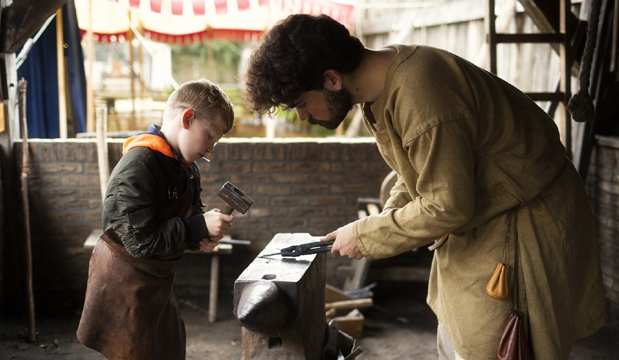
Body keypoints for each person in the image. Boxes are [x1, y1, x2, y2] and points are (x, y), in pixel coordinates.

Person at [244, 14, 608, 360]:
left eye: (301, 104)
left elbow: (448, 204)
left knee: (497, 345)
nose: (303, 116)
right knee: (457, 333)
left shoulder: (419, 93)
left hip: (522, 222)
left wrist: (366, 234)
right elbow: (415, 171)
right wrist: (389, 218)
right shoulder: (378, 89)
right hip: (482, 219)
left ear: (332, 79)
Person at [77, 79, 235, 360]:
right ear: (187, 118)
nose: (211, 148)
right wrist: (197, 226)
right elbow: (142, 242)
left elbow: (187, 218)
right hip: (125, 285)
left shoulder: (185, 167)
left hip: (158, 283)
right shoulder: (139, 166)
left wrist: (200, 238)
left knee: (169, 350)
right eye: (210, 137)